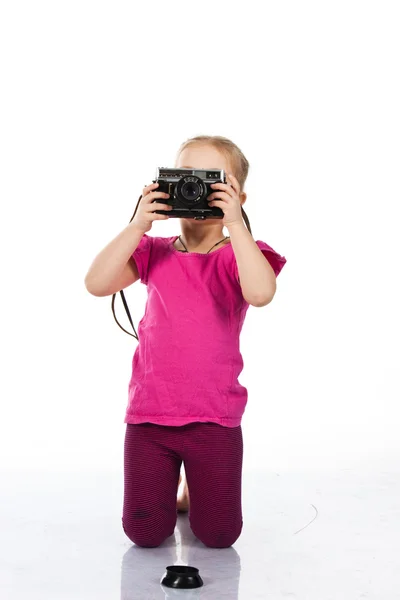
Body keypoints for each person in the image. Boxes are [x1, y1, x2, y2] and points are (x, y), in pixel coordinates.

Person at [84, 135, 287, 549]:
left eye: (211, 181)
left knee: (218, 535)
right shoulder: (153, 251)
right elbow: (96, 283)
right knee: (144, 533)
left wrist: (234, 222)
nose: (196, 189)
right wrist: (138, 223)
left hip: (214, 416)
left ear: (237, 195)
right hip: (150, 414)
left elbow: (261, 293)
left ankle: (191, 489)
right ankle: (173, 485)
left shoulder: (240, 254)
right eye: (184, 178)